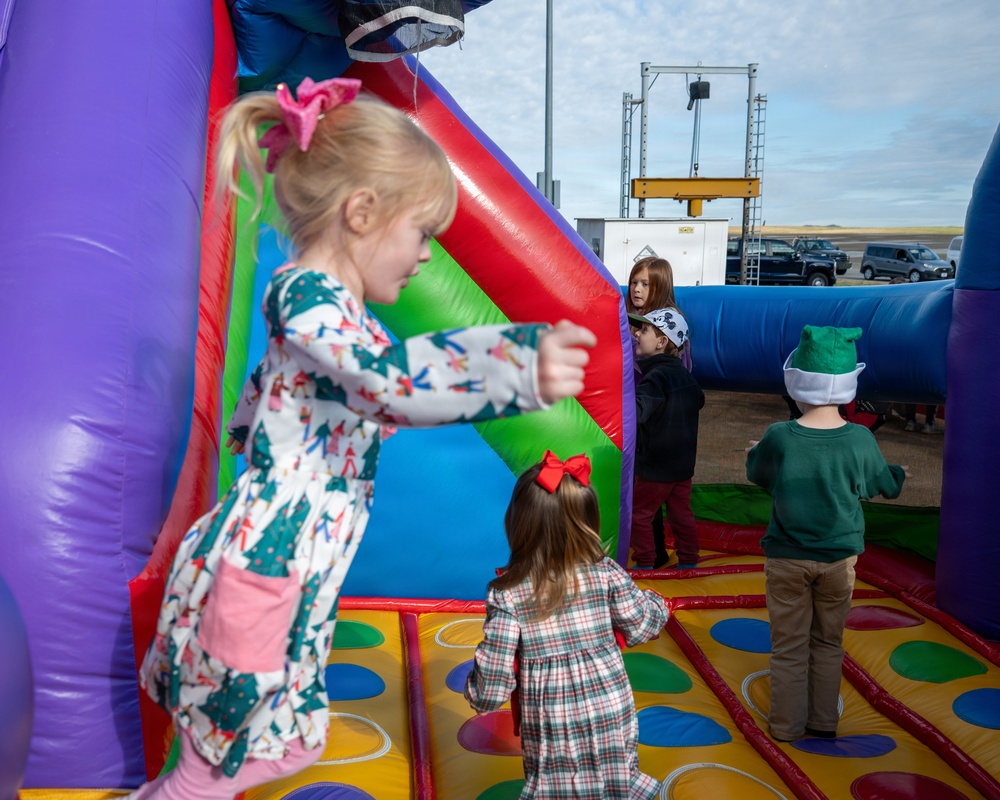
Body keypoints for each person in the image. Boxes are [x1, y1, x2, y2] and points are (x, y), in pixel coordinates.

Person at [128, 77, 596, 799]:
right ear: (362, 212)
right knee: (211, 762)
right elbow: (387, 384)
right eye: (422, 234)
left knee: (281, 741)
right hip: (269, 557)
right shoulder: (309, 297)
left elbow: (287, 387)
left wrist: (252, 424)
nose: (424, 257)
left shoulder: (335, 312)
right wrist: (516, 364)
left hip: (299, 563)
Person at [464, 452, 669, 800]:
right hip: (610, 710)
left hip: (552, 722)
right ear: (588, 521)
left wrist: (477, 693)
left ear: (517, 523)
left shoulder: (509, 595)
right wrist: (658, 604)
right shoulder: (606, 573)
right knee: (616, 781)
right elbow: (642, 625)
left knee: (558, 789)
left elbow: (493, 687)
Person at [746, 325, 907, 742]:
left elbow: (759, 473)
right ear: (850, 388)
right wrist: (898, 475)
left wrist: (753, 453)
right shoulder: (860, 439)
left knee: (788, 647)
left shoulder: (779, 437)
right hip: (839, 561)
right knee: (828, 643)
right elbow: (881, 485)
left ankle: (785, 726)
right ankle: (823, 722)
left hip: (786, 559)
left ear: (797, 383)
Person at [628, 308, 704, 570]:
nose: (637, 334)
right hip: (682, 467)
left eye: (645, 330)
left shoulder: (655, 378)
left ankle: (646, 563)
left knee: (639, 515)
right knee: (681, 515)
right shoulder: (684, 376)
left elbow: (637, 412)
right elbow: (700, 399)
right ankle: (690, 561)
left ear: (662, 342)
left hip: (656, 468)